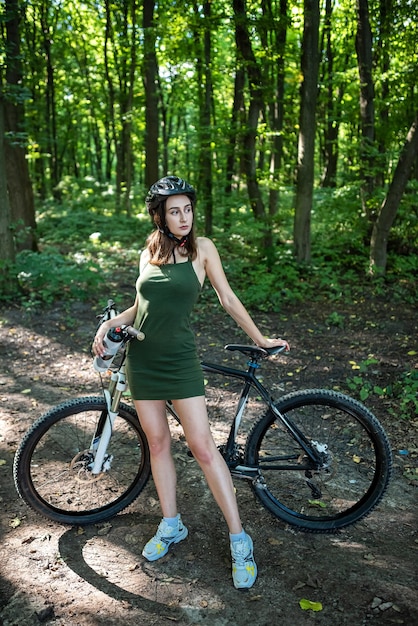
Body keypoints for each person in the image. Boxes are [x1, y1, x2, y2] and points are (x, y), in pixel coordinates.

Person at [92, 175, 289, 589]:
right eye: (174, 211)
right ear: (160, 217)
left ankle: (239, 538)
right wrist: (114, 322)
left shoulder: (203, 249)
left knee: (202, 447)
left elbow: (228, 299)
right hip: (142, 361)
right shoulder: (149, 250)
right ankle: (171, 524)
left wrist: (262, 339)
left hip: (180, 361)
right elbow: (140, 304)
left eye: (188, 209)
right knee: (159, 444)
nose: (184, 217)